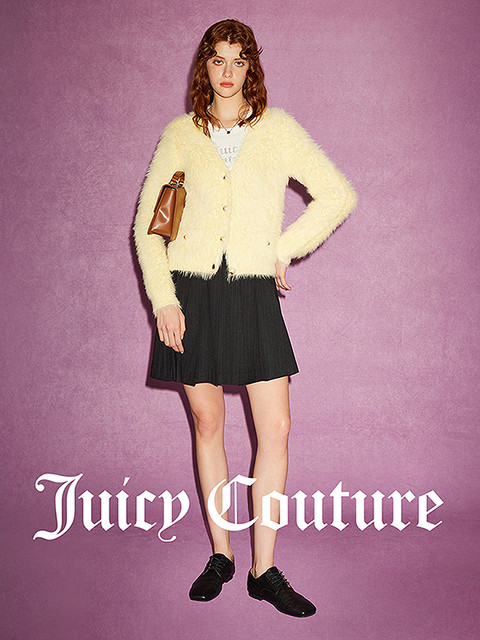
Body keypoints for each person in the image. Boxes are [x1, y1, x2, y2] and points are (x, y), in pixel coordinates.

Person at [134, 19, 357, 618]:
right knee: (208, 424)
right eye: (217, 59)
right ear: (204, 67)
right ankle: (222, 555)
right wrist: (164, 300)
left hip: (253, 293)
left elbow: (338, 193)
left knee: (275, 428)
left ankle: (265, 569)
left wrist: (285, 248)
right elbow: (149, 229)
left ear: (251, 67)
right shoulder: (180, 135)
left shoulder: (278, 129)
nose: (228, 71)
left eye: (239, 60)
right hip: (191, 294)